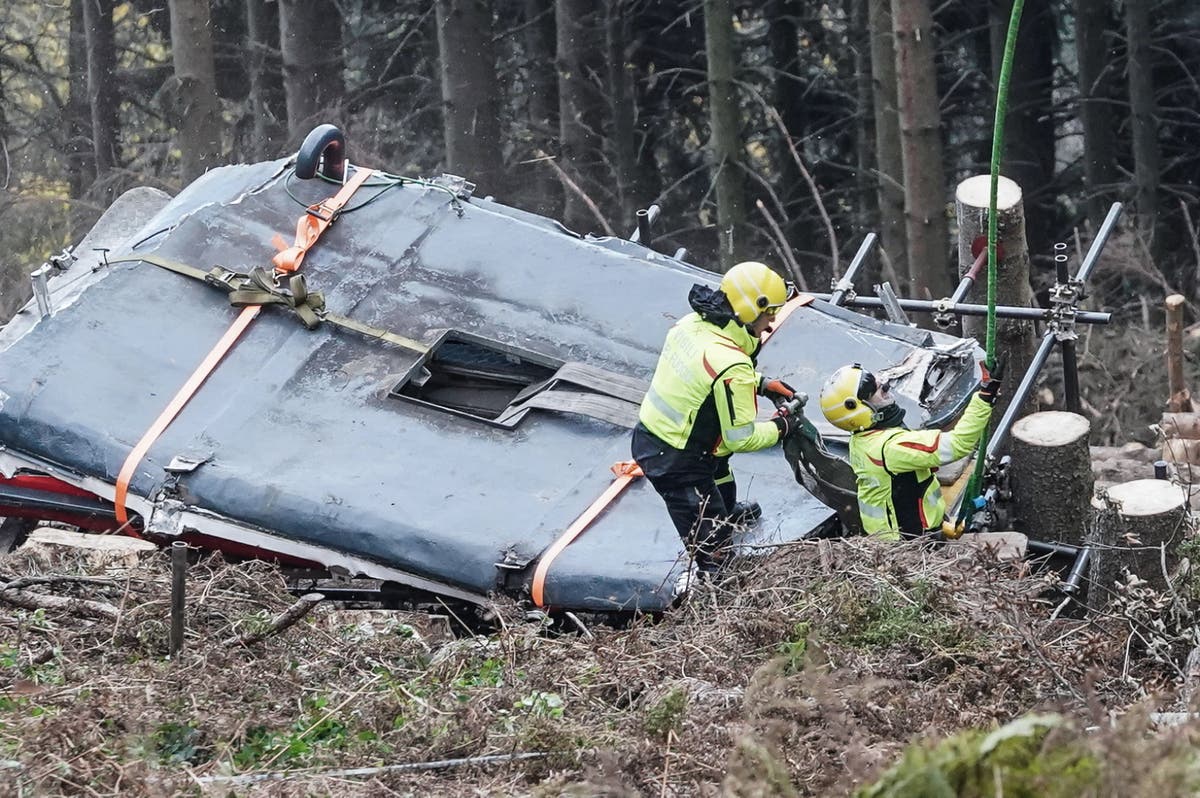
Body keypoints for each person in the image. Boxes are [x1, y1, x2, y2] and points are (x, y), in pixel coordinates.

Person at [631, 260, 799, 574]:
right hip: (675, 460)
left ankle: (726, 509)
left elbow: (705, 371)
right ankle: (716, 576)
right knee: (714, 548)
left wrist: (759, 382)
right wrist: (782, 426)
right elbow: (742, 437)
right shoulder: (731, 363)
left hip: (662, 434)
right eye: (770, 313)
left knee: (719, 464)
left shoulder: (693, 323)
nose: (773, 321)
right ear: (751, 310)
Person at [817, 361, 1002, 540]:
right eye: (876, 390)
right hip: (912, 544)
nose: (885, 387)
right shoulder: (890, 448)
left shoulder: (860, 440)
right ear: (857, 409)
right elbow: (958, 444)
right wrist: (985, 395)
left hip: (890, 539)